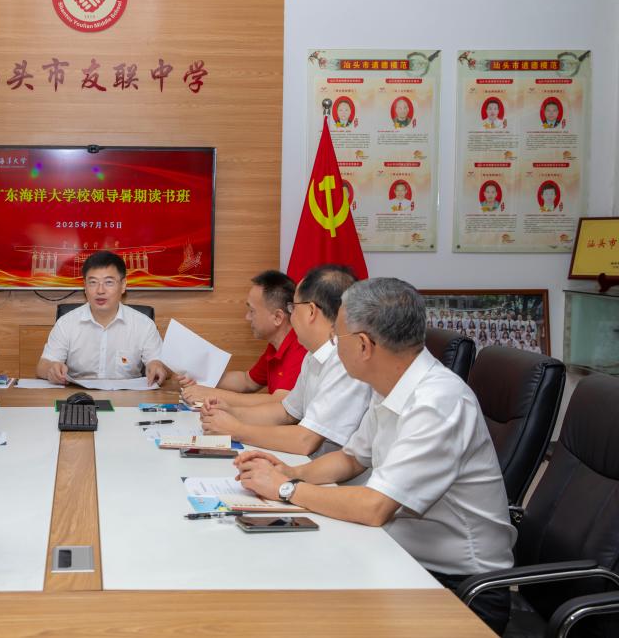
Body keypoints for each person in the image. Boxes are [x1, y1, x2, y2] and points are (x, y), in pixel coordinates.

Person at [234, 277, 515, 633]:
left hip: (457, 590)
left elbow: (374, 507)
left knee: (302, 614)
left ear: (364, 345)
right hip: (400, 554)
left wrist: (286, 490)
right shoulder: (391, 386)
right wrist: (289, 472)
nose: (333, 344)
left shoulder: (437, 402)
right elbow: (351, 459)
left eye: (337, 337)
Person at [199, 265, 372, 458]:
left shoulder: (343, 359)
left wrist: (236, 430)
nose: (291, 315)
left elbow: (305, 440)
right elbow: (286, 412)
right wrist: (230, 411)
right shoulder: (313, 355)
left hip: (332, 473)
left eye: (293, 308)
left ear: (311, 311)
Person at [37, 250, 167, 385]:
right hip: (79, 395)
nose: (100, 291)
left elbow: (160, 364)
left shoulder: (144, 325)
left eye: (109, 282)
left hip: (128, 395)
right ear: (85, 286)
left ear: (123, 285)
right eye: (93, 282)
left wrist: (157, 366)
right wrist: (51, 369)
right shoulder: (66, 323)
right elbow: (42, 366)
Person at [180, 270, 307, 406]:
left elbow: (279, 402)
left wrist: (210, 394)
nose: (247, 317)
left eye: (252, 311)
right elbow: (247, 381)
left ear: (277, 317)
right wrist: (200, 376)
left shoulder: (301, 347)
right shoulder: (275, 346)